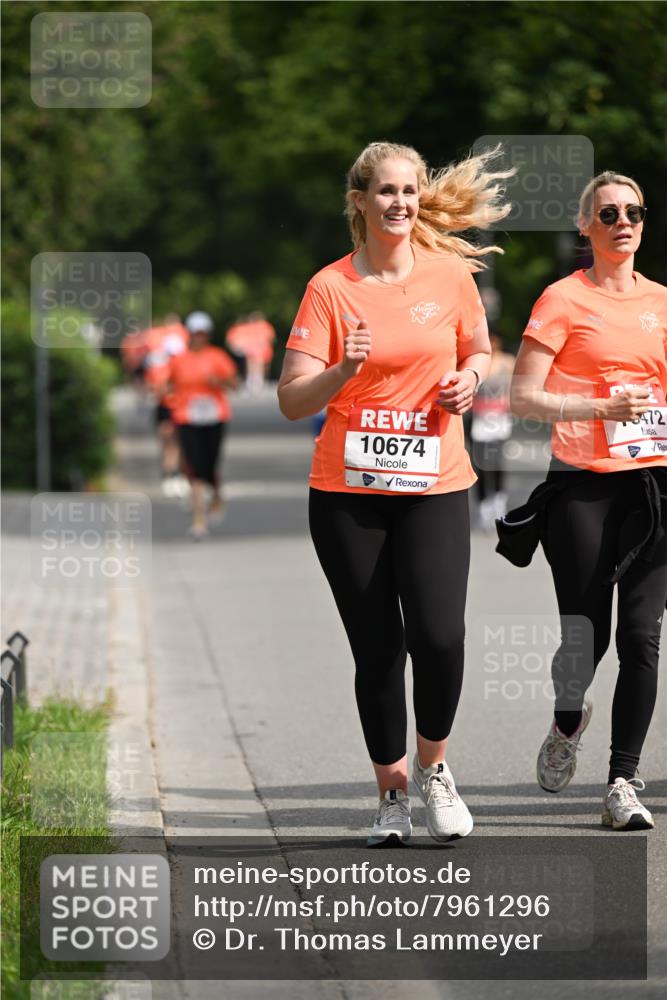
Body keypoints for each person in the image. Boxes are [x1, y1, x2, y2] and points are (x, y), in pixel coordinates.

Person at [278, 141, 513, 845]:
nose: (400, 203)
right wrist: (342, 370)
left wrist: (471, 379)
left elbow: (478, 347)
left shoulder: (448, 279)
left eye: (408, 191)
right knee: (379, 650)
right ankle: (391, 793)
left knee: (440, 637)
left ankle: (435, 768)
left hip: (435, 483)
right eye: (384, 191)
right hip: (347, 495)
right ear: (358, 201)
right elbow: (293, 401)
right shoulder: (329, 289)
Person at [508, 170, 667, 830]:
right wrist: (598, 404)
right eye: (607, 213)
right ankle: (567, 716)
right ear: (585, 226)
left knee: (640, 634)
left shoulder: (662, 301)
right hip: (581, 488)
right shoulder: (560, 300)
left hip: (654, 486)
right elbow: (522, 397)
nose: (621, 221)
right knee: (585, 636)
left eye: (632, 211)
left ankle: (621, 782)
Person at [167, 311, 240, 539]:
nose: (199, 337)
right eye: (195, 333)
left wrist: (218, 382)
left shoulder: (217, 357)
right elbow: (166, 385)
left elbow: (235, 384)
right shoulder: (178, 359)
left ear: (207, 335)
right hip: (187, 418)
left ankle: (217, 496)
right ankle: (199, 520)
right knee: (195, 468)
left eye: (203, 333)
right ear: (189, 334)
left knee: (210, 466)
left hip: (214, 417)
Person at [471, 332, 515, 529]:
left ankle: (498, 500)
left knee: (497, 461)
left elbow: (516, 386)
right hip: (479, 418)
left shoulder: (507, 362)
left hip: (499, 418)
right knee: (479, 462)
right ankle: (483, 505)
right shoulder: (477, 360)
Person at [143, 314, 189, 497]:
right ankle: (168, 476)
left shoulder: (186, 366)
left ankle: (180, 476)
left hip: (183, 409)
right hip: (165, 408)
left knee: (182, 445)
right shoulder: (159, 368)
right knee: (168, 444)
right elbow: (154, 390)